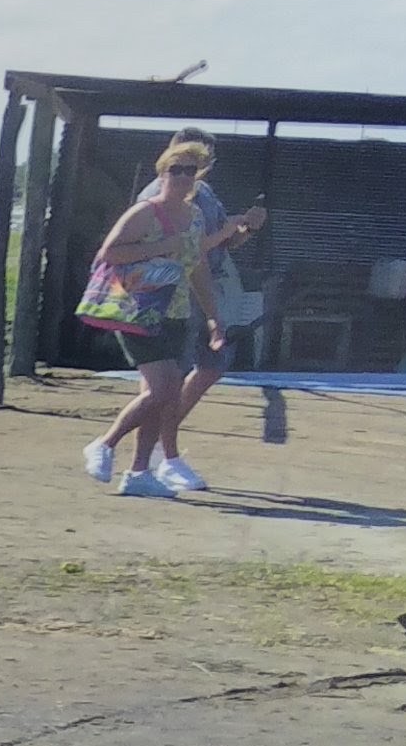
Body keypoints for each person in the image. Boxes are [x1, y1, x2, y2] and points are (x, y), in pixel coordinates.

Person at [72, 140, 263, 498]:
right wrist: (160, 247)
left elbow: (198, 268)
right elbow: (109, 253)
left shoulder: (195, 217)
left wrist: (213, 317)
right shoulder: (146, 211)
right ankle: (105, 443)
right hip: (137, 310)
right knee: (163, 389)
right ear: (162, 172)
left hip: (174, 313)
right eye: (177, 169)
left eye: (191, 171)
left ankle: (139, 471)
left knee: (162, 395)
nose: (183, 177)